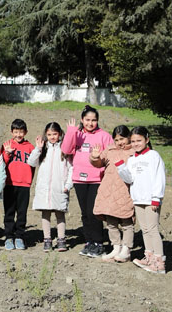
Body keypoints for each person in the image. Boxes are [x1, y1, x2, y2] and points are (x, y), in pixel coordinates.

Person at [61, 105, 113, 258]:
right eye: (87, 120)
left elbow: (111, 154)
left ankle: (98, 243)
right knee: (85, 213)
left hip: (96, 179)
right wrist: (71, 132)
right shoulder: (76, 134)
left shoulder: (104, 135)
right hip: (79, 179)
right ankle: (89, 241)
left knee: (94, 212)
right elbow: (65, 150)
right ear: (82, 120)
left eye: (94, 120)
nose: (90, 123)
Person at [116, 126, 166, 274]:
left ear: (147, 140)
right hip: (138, 199)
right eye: (133, 141)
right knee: (144, 230)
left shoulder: (154, 156)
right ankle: (149, 257)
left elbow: (159, 178)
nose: (136, 143)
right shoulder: (132, 160)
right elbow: (129, 179)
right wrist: (121, 167)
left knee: (152, 229)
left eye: (139, 140)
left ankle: (159, 262)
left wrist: (156, 197)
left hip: (151, 200)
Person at [89, 125, 135, 262]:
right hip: (108, 191)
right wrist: (94, 157)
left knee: (127, 221)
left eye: (122, 139)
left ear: (128, 138)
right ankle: (116, 247)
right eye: (116, 139)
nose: (120, 142)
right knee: (111, 222)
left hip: (125, 191)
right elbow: (98, 163)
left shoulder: (133, 152)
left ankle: (126, 249)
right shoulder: (109, 150)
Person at [28, 122, 73, 252]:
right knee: (45, 213)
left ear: (59, 134)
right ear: (45, 135)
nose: (52, 137)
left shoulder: (65, 149)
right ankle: (47, 240)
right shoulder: (43, 149)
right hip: (44, 188)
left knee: (60, 214)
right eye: (49, 134)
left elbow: (71, 169)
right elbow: (31, 162)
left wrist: (68, 185)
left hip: (59, 188)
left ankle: (61, 239)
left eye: (55, 134)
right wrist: (38, 149)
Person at [1, 119, 35, 250]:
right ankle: (9, 237)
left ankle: (20, 236)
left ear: (25, 132)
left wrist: (29, 179)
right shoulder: (7, 144)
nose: (18, 135)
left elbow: (33, 164)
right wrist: (7, 153)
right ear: (11, 132)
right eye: (16, 132)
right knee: (9, 211)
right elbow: (2, 163)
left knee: (22, 212)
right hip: (10, 184)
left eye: (21, 132)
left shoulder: (30, 147)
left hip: (24, 185)